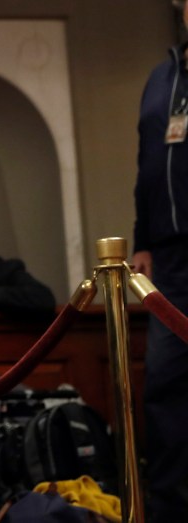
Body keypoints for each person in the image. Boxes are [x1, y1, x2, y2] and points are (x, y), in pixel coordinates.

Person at [132, 4, 188, 520]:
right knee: (165, 389)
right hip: (170, 263)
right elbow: (147, 167)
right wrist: (142, 240)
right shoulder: (161, 78)